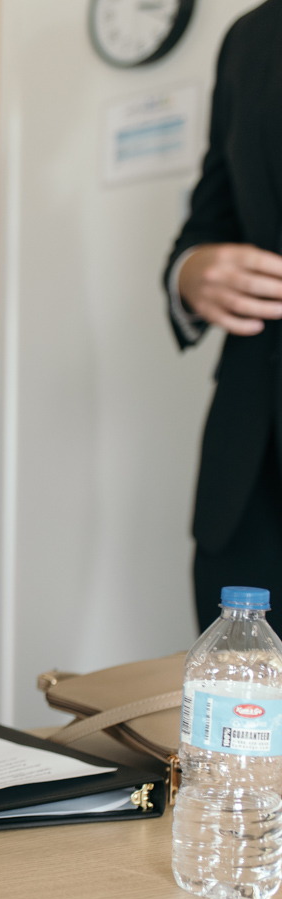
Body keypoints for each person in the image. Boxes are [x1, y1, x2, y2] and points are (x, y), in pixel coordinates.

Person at [164, 0, 282, 631]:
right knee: (238, 722)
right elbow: (209, 221)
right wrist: (190, 274)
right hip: (252, 474)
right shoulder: (249, 38)